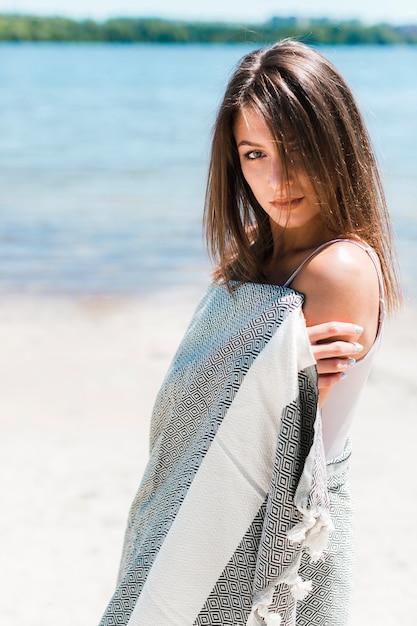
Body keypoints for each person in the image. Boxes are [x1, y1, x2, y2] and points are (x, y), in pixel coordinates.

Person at [99, 40, 400, 626]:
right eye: (255, 153)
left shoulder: (337, 268)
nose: (277, 178)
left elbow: (278, 446)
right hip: (200, 511)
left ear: (336, 144)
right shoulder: (254, 256)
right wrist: (271, 366)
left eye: (295, 151)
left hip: (280, 545)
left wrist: (267, 369)